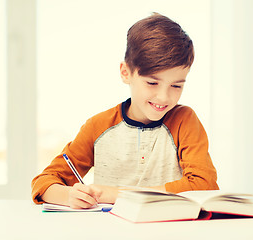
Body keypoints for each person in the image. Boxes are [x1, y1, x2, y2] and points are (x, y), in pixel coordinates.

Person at [31, 13, 219, 209]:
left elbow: (204, 186)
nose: (164, 97)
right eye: (152, 82)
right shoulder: (98, 126)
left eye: (176, 86)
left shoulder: (184, 121)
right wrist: (69, 195)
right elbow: (43, 183)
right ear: (125, 73)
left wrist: (114, 194)